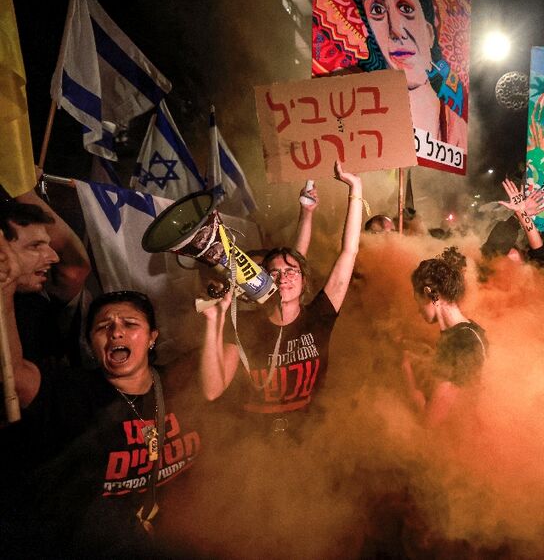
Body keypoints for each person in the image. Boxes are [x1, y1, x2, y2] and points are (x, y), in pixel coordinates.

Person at [0, 281, 202, 556]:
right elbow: (14, 376)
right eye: (102, 327)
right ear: (91, 344)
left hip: (186, 541)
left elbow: (238, 351)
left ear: (152, 337)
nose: (116, 332)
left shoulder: (180, 383)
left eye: (130, 324)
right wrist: (5, 292)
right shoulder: (73, 391)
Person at [198, 162, 363, 437]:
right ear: (262, 282)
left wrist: (355, 189)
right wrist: (213, 322)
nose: (283, 277)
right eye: (274, 272)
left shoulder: (319, 316)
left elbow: (349, 252)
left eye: (292, 271)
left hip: (308, 440)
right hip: (255, 447)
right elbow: (212, 390)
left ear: (304, 280)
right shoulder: (245, 329)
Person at [346, 0, 467, 148]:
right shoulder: (358, 111)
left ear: (430, 32)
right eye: (377, 10)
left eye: (406, 8)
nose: (396, 30)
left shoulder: (458, 131)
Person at [0, 186, 91, 370]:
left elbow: (74, 268)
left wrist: (23, 187)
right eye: (35, 246)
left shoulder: (37, 305)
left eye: (48, 244)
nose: (54, 257)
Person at [402, 246, 486, 427]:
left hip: (458, 445)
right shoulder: (470, 332)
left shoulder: (462, 344)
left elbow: (429, 421)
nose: (418, 309)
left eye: (417, 301)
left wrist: (406, 371)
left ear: (427, 293)